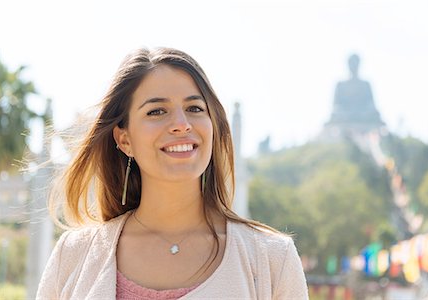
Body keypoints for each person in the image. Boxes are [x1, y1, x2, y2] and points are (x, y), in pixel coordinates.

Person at [36, 47, 309, 299]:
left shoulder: (272, 259)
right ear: (124, 139)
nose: (181, 124)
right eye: (157, 111)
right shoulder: (74, 256)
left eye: (194, 108)